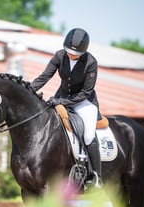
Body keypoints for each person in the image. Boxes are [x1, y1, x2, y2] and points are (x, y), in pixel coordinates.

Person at [31, 28, 102, 186]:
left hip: (84, 102)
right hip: (61, 97)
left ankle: (96, 176)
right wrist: (28, 89)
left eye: (76, 54)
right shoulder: (59, 55)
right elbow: (45, 76)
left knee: (89, 135)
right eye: (69, 51)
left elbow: (86, 92)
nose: (71, 55)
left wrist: (62, 102)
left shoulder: (91, 62)